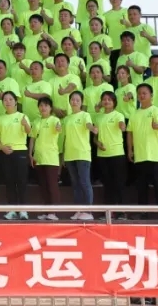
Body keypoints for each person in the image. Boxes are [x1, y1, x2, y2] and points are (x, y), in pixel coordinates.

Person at [127, 84, 158, 219]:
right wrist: (130, 150)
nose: (141, 95)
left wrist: (157, 126)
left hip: (155, 156)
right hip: (140, 156)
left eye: (144, 93)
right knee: (141, 187)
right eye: (139, 93)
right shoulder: (134, 114)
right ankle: (143, 212)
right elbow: (129, 133)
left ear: (151, 95)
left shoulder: (157, 111)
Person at [0, 91, 31, 220]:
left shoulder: (22, 116)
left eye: (10, 99)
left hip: (20, 151)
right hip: (5, 152)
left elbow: (29, 132)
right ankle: (12, 209)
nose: (8, 102)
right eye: (5, 99)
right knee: (9, 181)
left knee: (21, 181)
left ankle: (23, 210)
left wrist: (25, 124)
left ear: (16, 102)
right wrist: (2, 147)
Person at [62, 91, 96, 220]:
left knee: (84, 182)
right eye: (72, 99)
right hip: (70, 155)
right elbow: (64, 138)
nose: (74, 102)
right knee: (75, 184)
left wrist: (92, 128)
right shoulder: (66, 119)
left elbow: (88, 125)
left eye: (77, 100)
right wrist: (63, 155)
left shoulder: (85, 115)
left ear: (81, 102)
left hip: (82, 154)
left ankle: (89, 211)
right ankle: (79, 210)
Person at [29, 97, 62, 220]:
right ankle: (46, 211)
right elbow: (32, 138)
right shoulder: (36, 121)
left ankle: (53, 212)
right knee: (43, 185)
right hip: (39, 157)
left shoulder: (55, 120)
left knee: (51, 185)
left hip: (51, 158)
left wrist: (58, 127)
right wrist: (30, 154)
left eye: (46, 105)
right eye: (41, 105)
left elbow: (58, 127)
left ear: (50, 108)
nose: (43, 108)